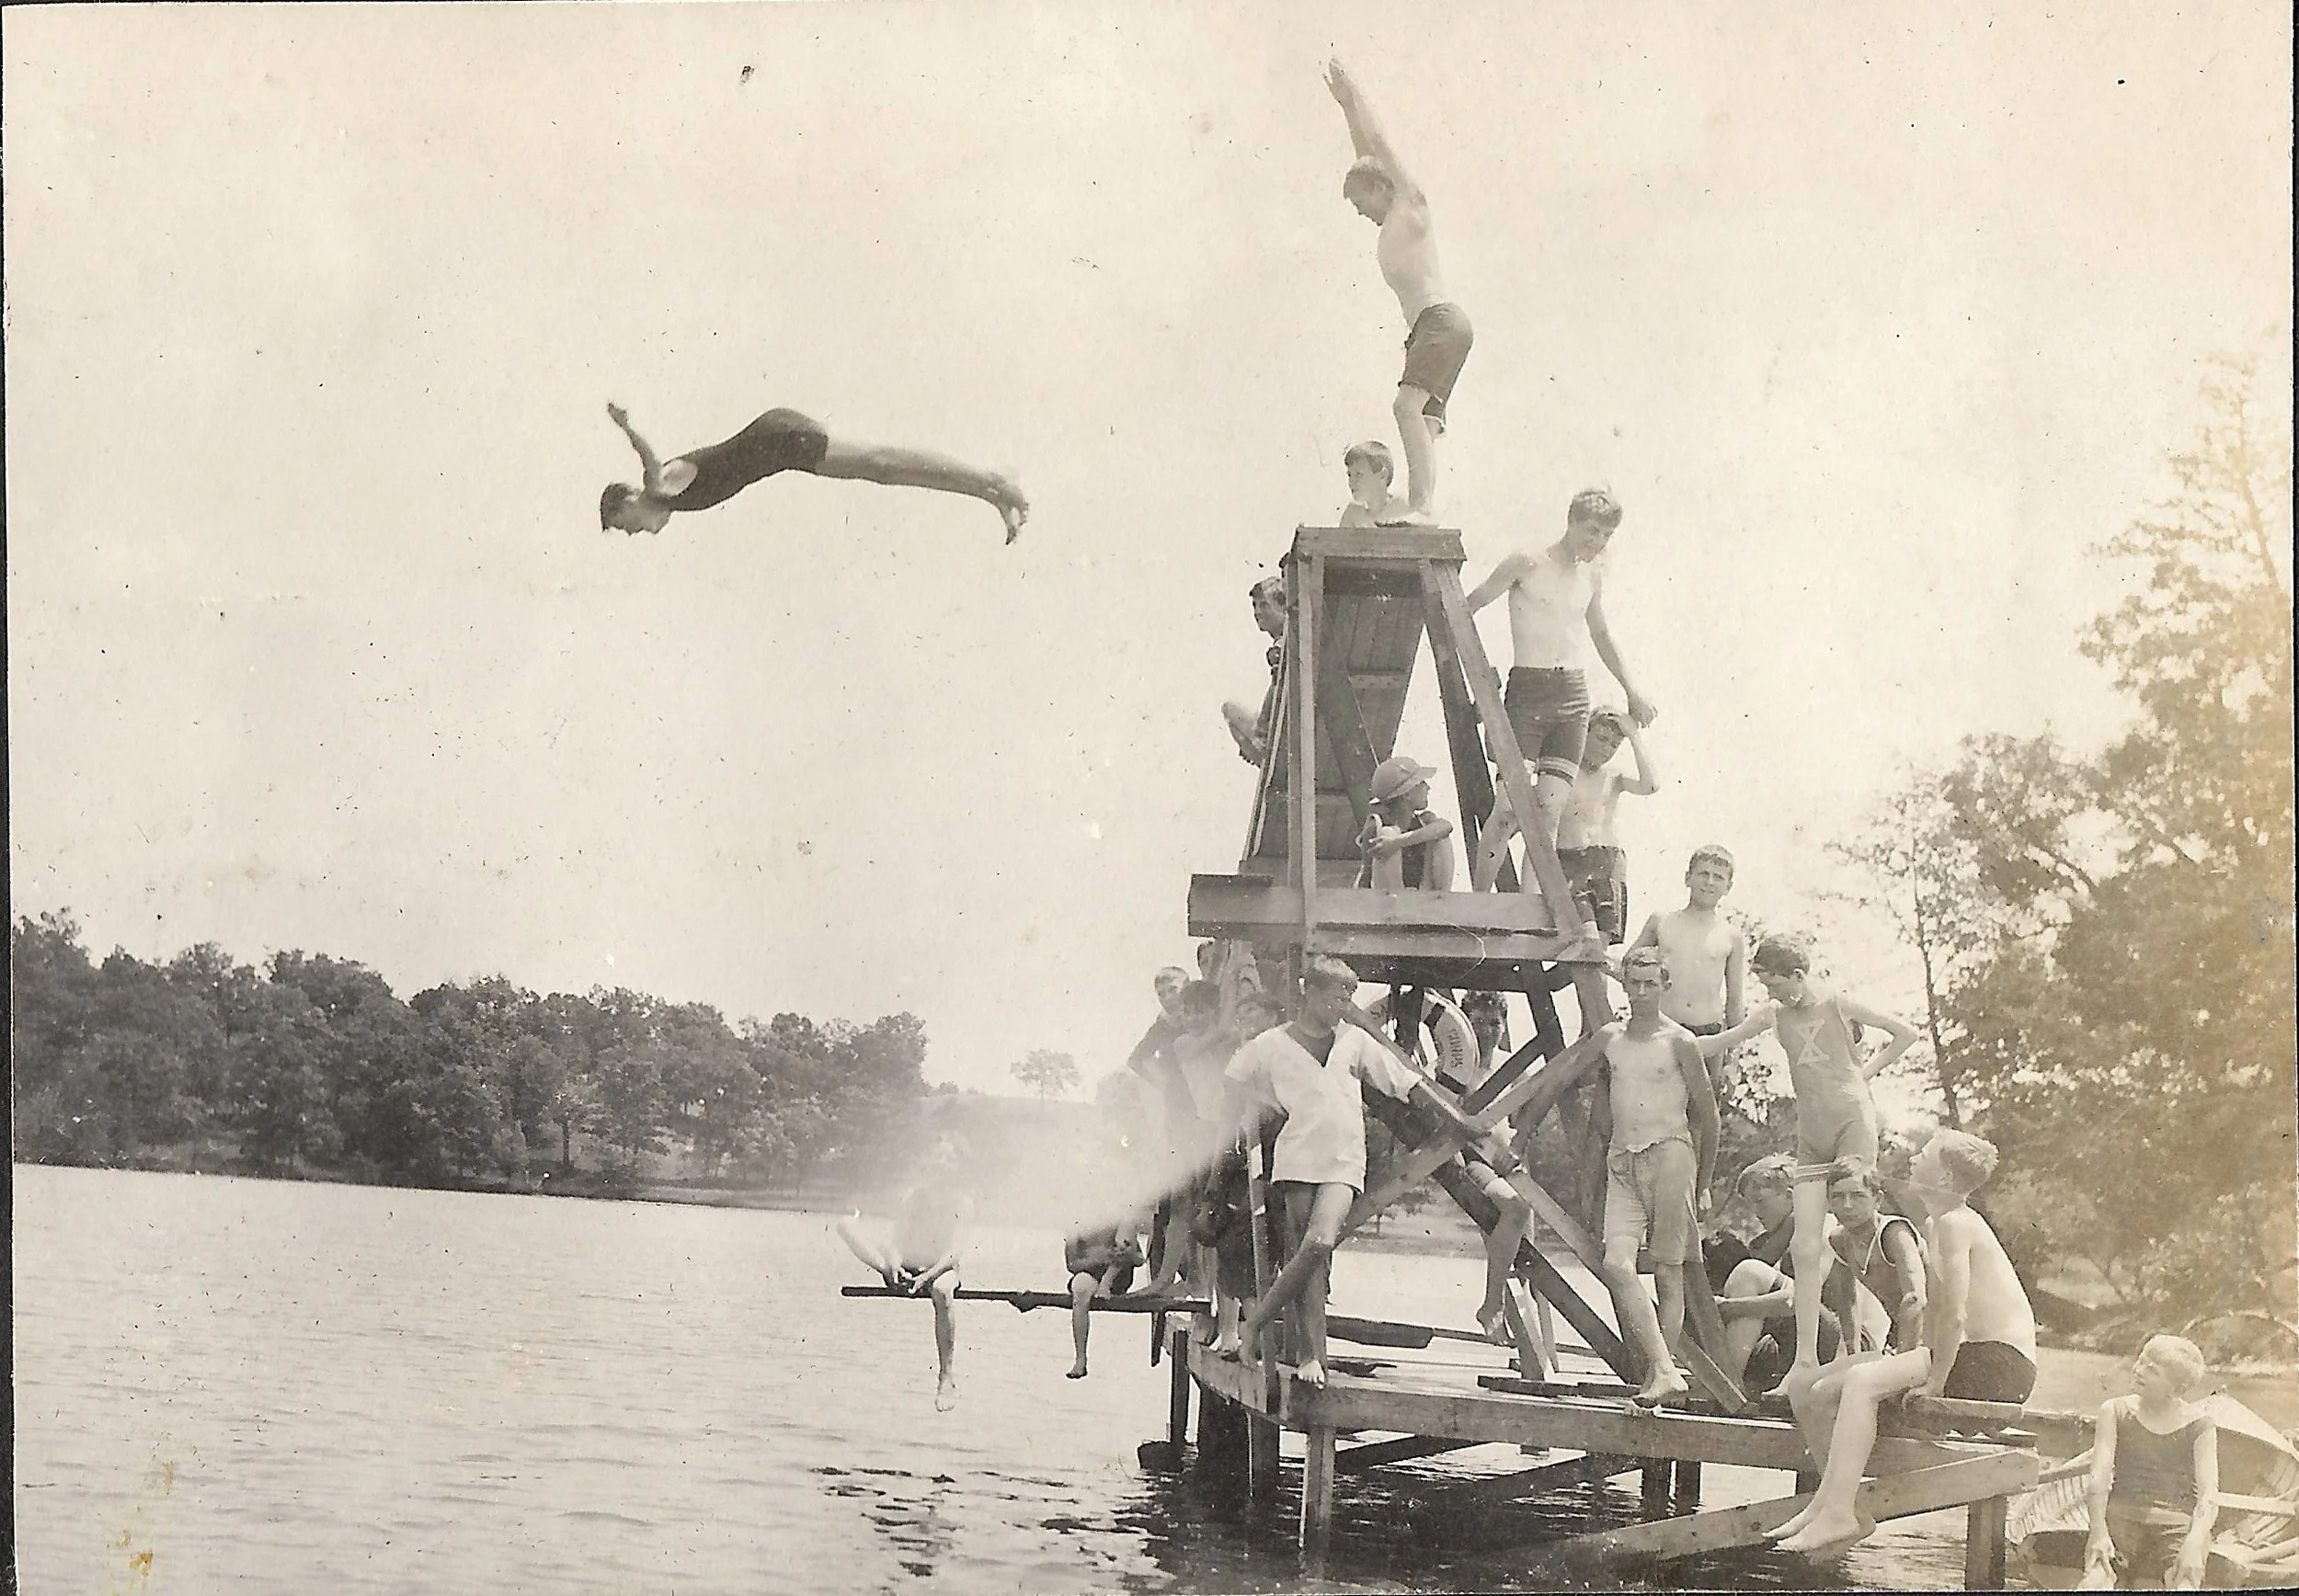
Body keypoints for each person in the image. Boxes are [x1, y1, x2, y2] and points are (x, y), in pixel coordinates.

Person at [1769, 1130, 2039, 1555]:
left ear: (1945, 1175)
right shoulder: (1935, 1223)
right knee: (1818, 1387)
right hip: (1975, 1356)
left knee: (1862, 1383)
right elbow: (1940, 1313)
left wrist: (1935, 1383)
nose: (1913, 1159)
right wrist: (1905, 1362)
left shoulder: (1955, 1223)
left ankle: (1840, 1512)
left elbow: (1954, 1314)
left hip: (2000, 1364)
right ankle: (1829, 1505)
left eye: (1925, 1154)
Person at [1228, 956, 1470, 1387]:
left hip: (1343, 1160)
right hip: (1296, 1157)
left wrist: (1459, 1122)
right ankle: (1311, 1357)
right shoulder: (1272, 1042)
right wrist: (1269, 1104)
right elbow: (1233, 1079)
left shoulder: (1354, 1040)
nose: (1344, 1005)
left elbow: (1407, 1084)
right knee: (1305, 1259)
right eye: (1337, 996)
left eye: (1349, 997)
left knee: (1319, 1243)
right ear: (1309, 991)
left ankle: (1256, 1323)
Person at [1511, 947, 1721, 1407]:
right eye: (1634, 983)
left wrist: (1703, 1184)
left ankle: (1658, 1377)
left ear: (1665, 986)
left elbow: (1709, 1117)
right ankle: (1665, 1370)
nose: (1641, 993)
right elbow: (1558, 1079)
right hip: (1622, 1159)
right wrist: (1521, 1137)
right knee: (1617, 1265)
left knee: (1667, 1271)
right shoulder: (1610, 1037)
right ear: (1623, 985)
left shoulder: (1680, 1041)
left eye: (1650, 984)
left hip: (1671, 1156)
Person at [1713, 933, 1919, 1374]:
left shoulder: (1837, 1003)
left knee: (1851, 1229)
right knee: (1806, 1246)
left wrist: (1865, 1074)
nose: (1770, 993)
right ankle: (1803, 1362)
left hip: (1851, 1124)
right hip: (1812, 1135)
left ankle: (1865, 1344)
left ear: (1797, 975)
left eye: (1774, 984)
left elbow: (1906, 1033)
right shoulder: (1775, 1014)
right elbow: (1724, 1039)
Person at [1464, 488, 1658, 852]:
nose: (1598, 541)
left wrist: (1632, 690)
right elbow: (1468, 607)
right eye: (1592, 530)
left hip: (1572, 693)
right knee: (1507, 809)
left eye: (1606, 535)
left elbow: (1601, 635)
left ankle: (1537, 889)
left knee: (1550, 813)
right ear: (1571, 521)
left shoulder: (1592, 577)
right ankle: (1482, 886)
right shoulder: (1527, 563)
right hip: (1529, 687)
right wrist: (1480, 669)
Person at [1324, 59, 1469, 525]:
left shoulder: (1411, 206)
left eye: (1360, 202)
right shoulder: (1391, 223)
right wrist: (1346, 113)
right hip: (1429, 328)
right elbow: (1365, 158)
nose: (1360, 213)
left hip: (1440, 320)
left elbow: (1379, 146)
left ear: (1381, 188)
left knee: (1405, 407)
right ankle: (1419, 504)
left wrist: (1354, 98)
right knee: (1422, 423)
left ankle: (1423, 506)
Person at [600, 401, 1028, 543]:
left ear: (629, 500)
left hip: (780, 438)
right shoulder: (672, 500)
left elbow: (648, 462)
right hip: (780, 446)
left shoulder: (660, 486)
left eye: (623, 524)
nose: (632, 533)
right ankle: (991, 491)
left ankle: (993, 481)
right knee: (881, 469)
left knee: (882, 464)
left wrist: (627, 427)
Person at [836, 1136, 973, 1411]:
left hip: (940, 1269)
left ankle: (946, 1377)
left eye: (949, 1159)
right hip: (908, 1265)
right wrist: (895, 1263)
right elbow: (896, 1240)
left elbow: (954, 1252)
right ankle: (893, 1273)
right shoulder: (913, 1197)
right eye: (937, 1157)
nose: (942, 1163)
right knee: (845, 1226)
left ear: (959, 1166)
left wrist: (927, 1277)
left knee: (942, 1291)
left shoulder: (962, 1203)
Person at [2081, 1335, 2221, 1590]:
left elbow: (2208, 1494)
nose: (2139, 1370)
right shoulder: (2114, 1410)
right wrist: (2098, 1531)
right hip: (2121, 1517)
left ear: (2177, 1390)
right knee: (2095, 1580)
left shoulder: (2200, 1425)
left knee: (2185, 1583)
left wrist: (2194, 1543)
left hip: (2177, 1525)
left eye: (2152, 1370)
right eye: (2141, 1361)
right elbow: (2098, 1479)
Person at [1707, 1154, 1846, 1395]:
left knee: (1749, 1272)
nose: (1755, 1212)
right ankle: (1724, 1384)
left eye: (1760, 1202)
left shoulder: (1821, 1227)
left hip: (1832, 1343)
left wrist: (1727, 1308)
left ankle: (1724, 1390)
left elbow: (1795, 1301)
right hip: (1796, 1341)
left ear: (1790, 1196)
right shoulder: (1773, 1241)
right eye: (1751, 1204)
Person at [1629, 846, 1749, 1052]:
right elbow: (1627, 968)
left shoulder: (1731, 935)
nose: (1709, 882)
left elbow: (1735, 1001)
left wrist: (1734, 1053)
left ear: (1728, 887)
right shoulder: (1662, 921)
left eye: (1718, 877)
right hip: (1663, 1028)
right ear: (1688, 878)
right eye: (1703, 874)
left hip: (1709, 1032)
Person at [1555, 710, 1657, 947]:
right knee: (1580, 937)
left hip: (1607, 861)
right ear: (1584, 733)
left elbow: (1651, 785)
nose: (1606, 749)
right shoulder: (1563, 771)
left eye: (1614, 745)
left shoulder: (1614, 776)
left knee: (1599, 944)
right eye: (1601, 739)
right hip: (1570, 859)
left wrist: (1634, 737)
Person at [1821, 1167, 1927, 1356]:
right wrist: (1853, 1352)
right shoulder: (1839, 1239)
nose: (1847, 1205)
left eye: (1858, 1196)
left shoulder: (1894, 1233)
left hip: (1938, 1337)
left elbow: (1915, 1298)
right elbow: (1847, 1299)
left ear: (1877, 1200)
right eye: (1837, 1197)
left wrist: (1902, 1359)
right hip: (1899, 1338)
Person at [1356, 756, 1458, 890]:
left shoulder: (1425, 820)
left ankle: (1440, 897)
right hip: (1383, 897)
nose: (1428, 788)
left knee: (1441, 838)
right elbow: (1367, 877)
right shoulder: (1376, 824)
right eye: (1422, 783)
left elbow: (1446, 827)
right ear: (1407, 794)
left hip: (1419, 895)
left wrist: (1397, 843)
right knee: (1388, 833)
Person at [1223, 575, 1290, 766]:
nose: (1257, 612)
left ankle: (1260, 747)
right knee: (1231, 711)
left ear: (1282, 608)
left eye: (1264, 605)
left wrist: (1261, 732)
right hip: (1281, 726)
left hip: (1282, 729)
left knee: (1230, 709)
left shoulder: (1283, 645)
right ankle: (1259, 745)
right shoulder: (1285, 643)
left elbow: (1278, 691)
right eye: (1255, 606)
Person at [1064, 1224, 1147, 1379]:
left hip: (1118, 1276)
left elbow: (1140, 1260)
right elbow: (1072, 1264)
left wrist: (1127, 1253)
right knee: (1080, 1287)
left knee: (1126, 1227)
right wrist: (1102, 1257)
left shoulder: (1118, 1218)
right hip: (1091, 1273)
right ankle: (1080, 1359)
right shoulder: (1076, 1222)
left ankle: (1106, 1284)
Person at [1337, 439, 1409, 529]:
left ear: (1383, 475)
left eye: (1359, 474)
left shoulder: (1401, 509)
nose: (1351, 481)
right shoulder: (1353, 514)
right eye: (1349, 475)